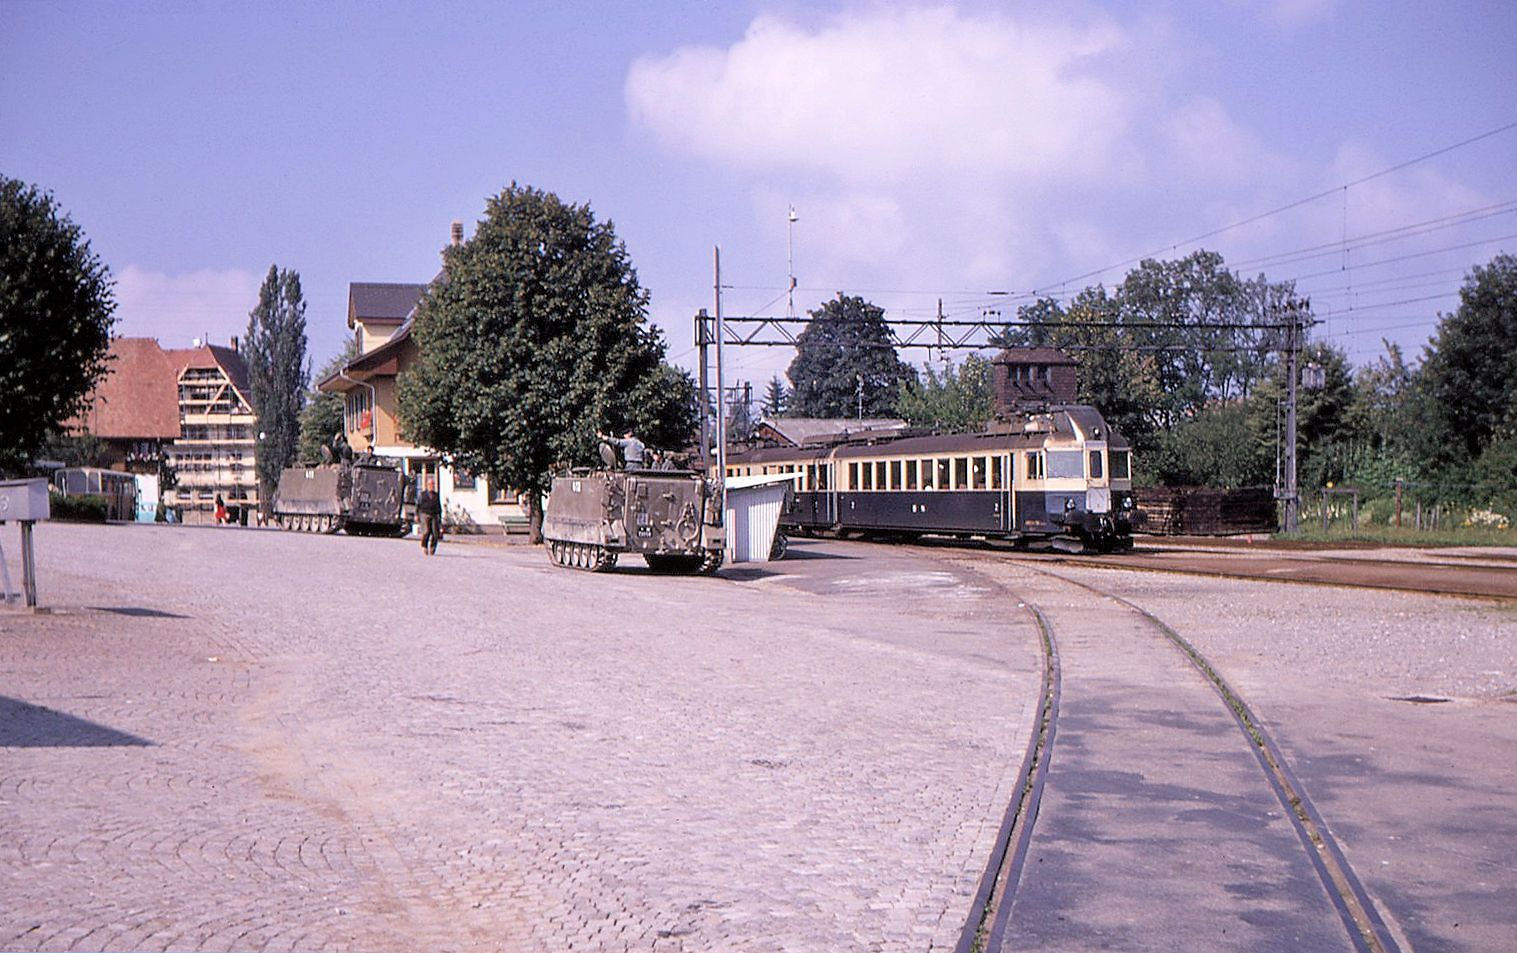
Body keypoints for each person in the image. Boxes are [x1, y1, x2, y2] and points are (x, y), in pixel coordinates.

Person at [417, 475, 443, 555]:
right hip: (424, 514)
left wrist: (440, 517)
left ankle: (432, 547)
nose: (432, 486)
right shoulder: (423, 494)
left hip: (434, 515)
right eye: (430, 484)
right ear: (427, 485)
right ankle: (424, 546)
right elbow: (418, 505)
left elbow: (439, 506)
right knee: (426, 531)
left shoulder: (436, 495)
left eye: (433, 484)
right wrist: (416, 515)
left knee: (435, 533)